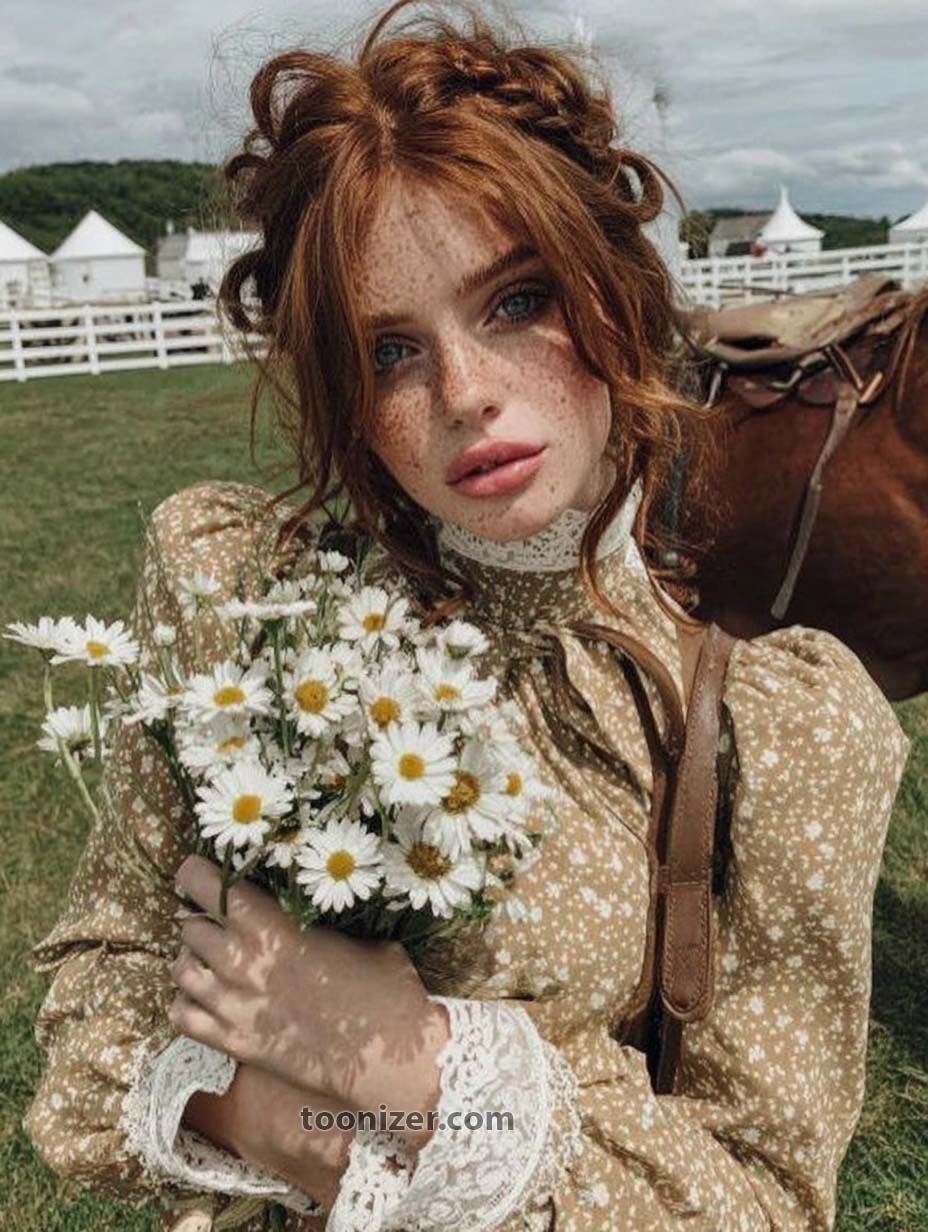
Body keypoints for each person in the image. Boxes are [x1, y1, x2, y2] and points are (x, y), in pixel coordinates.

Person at [22, 2, 910, 1230]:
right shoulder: (243, 594)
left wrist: (421, 1064)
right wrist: (307, 1106)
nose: (464, 394)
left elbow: (763, 1197)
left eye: (516, 301)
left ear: (613, 288)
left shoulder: (787, 729)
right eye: (390, 351)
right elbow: (98, 1011)